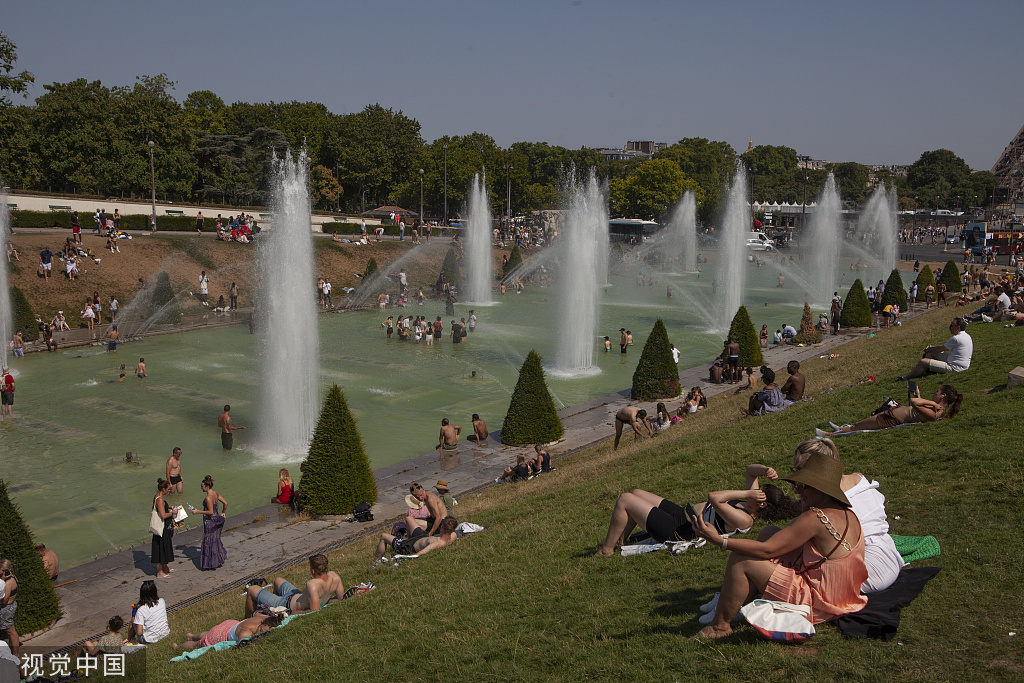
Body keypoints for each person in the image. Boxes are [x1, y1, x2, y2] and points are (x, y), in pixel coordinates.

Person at [690, 452, 868, 639]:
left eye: (804, 486)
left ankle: (719, 627)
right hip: (844, 596)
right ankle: (736, 600)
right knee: (770, 531)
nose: (799, 491)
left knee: (740, 559)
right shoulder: (848, 514)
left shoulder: (816, 517)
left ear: (820, 489)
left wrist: (720, 540)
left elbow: (768, 549)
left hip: (820, 601)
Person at [595, 464, 801, 556]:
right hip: (680, 514)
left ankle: (607, 550)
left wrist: (747, 494)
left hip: (677, 530)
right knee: (637, 492)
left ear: (761, 504)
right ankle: (620, 540)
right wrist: (765, 470)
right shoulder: (748, 503)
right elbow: (750, 470)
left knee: (625, 500)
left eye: (758, 494)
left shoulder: (745, 519)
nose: (753, 492)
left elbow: (714, 497)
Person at [790, 439, 904, 593]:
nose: (797, 477)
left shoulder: (825, 499)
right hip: (890, 556)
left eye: (801, 470)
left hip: (866, 571)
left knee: (792, 537)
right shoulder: (858, 477)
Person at [823, 384, 962, 434]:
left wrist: (922, 400)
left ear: (943, 396)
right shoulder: (935, 408)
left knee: (857, 427)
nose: (934, 393)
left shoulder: (936, 412)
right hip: (891, 414)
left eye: (937, 392)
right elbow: (916, 406)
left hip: (891, 419)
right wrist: (918, 396)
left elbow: (914, 403)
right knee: (859, 424)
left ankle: (832, 434)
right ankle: (839, 430)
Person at [244, 554, 343, 618]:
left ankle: (247, 620)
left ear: (313, 571)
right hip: (295, 595)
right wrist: (326, 600)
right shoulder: (335, 577)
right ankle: (273, 610)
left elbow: (314, 611)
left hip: (287, 604)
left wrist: (297, 613)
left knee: (251, 589)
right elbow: (340, 598)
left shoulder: (312, 584)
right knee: (277, 580)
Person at [895, 317, 973, 380]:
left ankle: (905, 377)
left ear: (958, 327)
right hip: (959, 363)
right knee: (931, 353)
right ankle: (924, 369)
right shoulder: (966, 335)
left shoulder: (956, 338)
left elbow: (941, 349)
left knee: (923, 361)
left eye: (952, 325)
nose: (950, 327)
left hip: (955, 367)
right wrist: (931, 348)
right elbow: (943, 347)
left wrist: (929, 349)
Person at [373, 516, 459, 565]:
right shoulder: (453, 535)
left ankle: (375, 562)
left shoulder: (437, 543)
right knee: (409, 519)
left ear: (442, 527)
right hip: (421, 536)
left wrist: (404, 557)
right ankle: (407, 537)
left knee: (383, 536)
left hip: (409, 546)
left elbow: (421, 553)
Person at [173, 613, 284, 651]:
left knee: (207, 633)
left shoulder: (264, 618)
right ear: (264, 625)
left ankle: (192, 635)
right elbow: (242, 643)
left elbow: (256, 614)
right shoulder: (247, 631)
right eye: (261, 631)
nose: (260, 634)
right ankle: (177, 647)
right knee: (198, 644)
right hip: (220, 635)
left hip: (230, 624)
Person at [197, 475, 227, 570]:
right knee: (215, 540)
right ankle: (218, 560)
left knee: (208, 541)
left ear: (207, 486)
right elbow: (225, 503)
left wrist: (197, 511)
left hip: (210, 521)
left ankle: (210, 563)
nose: (201, 488)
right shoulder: (216, 493)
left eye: (202, 486)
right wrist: (223, 512)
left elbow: (210, 512)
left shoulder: (208, 498)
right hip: (217, 518)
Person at [151, 479, 175, 578]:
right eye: (168, 489)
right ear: (163, 489)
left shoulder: (158, 496)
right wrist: (173, 513)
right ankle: (159, 571)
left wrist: (169, 506)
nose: (169, 491)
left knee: (164, 545)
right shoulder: (160, 499)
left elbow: (161, 507)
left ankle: (165, 567)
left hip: (163, 527)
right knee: (160, 547)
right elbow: (163, 515)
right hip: (161, 528)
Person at [0, 559, 18, 655]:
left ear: (3, 570)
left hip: (6, 608)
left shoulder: (7, 583)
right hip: (11, 605)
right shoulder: (13, 577)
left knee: (10, 631)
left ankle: (15, 653)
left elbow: (4, 600)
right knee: (11, 631)